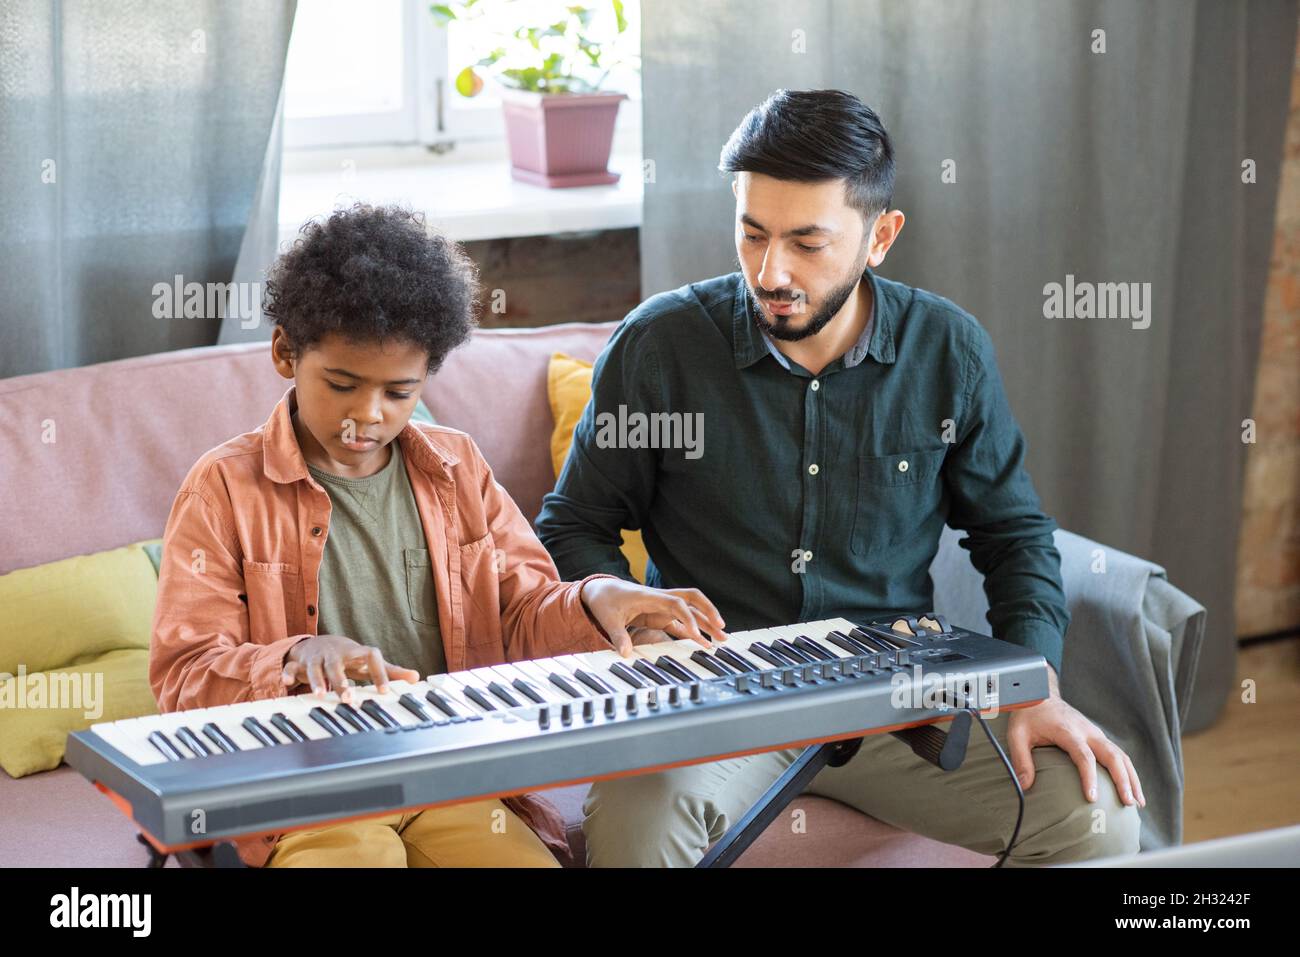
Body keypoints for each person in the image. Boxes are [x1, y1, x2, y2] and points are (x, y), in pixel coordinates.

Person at [536, 89, 1145, 867]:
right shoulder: (660, 347)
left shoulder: (947, 351)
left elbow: (1014, 535)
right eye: (751, 233)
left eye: (806, 242)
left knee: (1099, 817)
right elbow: (572, 523)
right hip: (717, 698)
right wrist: (636, 618)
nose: (770, 270)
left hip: (902, 704)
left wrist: (1032, 681)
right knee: (636, 822)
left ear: (880, 236)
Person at [149, 203, 726, 868]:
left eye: (399, 391)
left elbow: (520, 614)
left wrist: (594, 597)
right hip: (303, 791)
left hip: (449, 775)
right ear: (285, 352)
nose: (368, 413)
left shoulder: (456, 467)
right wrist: (292, 657)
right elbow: (184, 674)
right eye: (342, 383)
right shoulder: (222, 487)